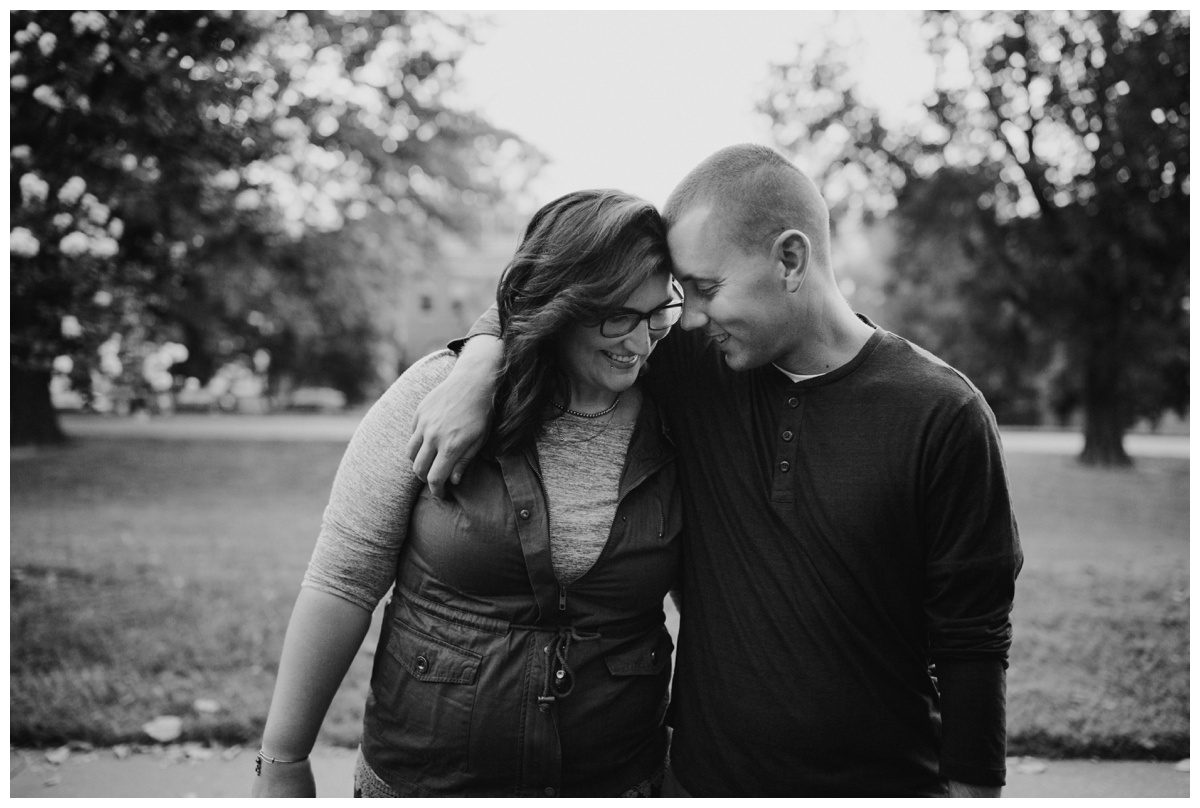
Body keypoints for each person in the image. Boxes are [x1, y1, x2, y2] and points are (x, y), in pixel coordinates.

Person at [406, 144, 1023, 797]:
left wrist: (972, 794)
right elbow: (556, 298)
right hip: (701, 782)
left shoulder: (944, 414)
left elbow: (974, 640)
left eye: (705, 289)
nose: (687, 319)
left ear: (790, 259)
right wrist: (480, 361)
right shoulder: (694, 369)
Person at [252, 189, 684, 797]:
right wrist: (283, 762)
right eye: (616, 316)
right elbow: (343, 579)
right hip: (426, 780)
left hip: (615, 779)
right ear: (563, 303)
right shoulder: (436, 392)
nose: (638, 343)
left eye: (656, 313)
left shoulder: (681, 412)